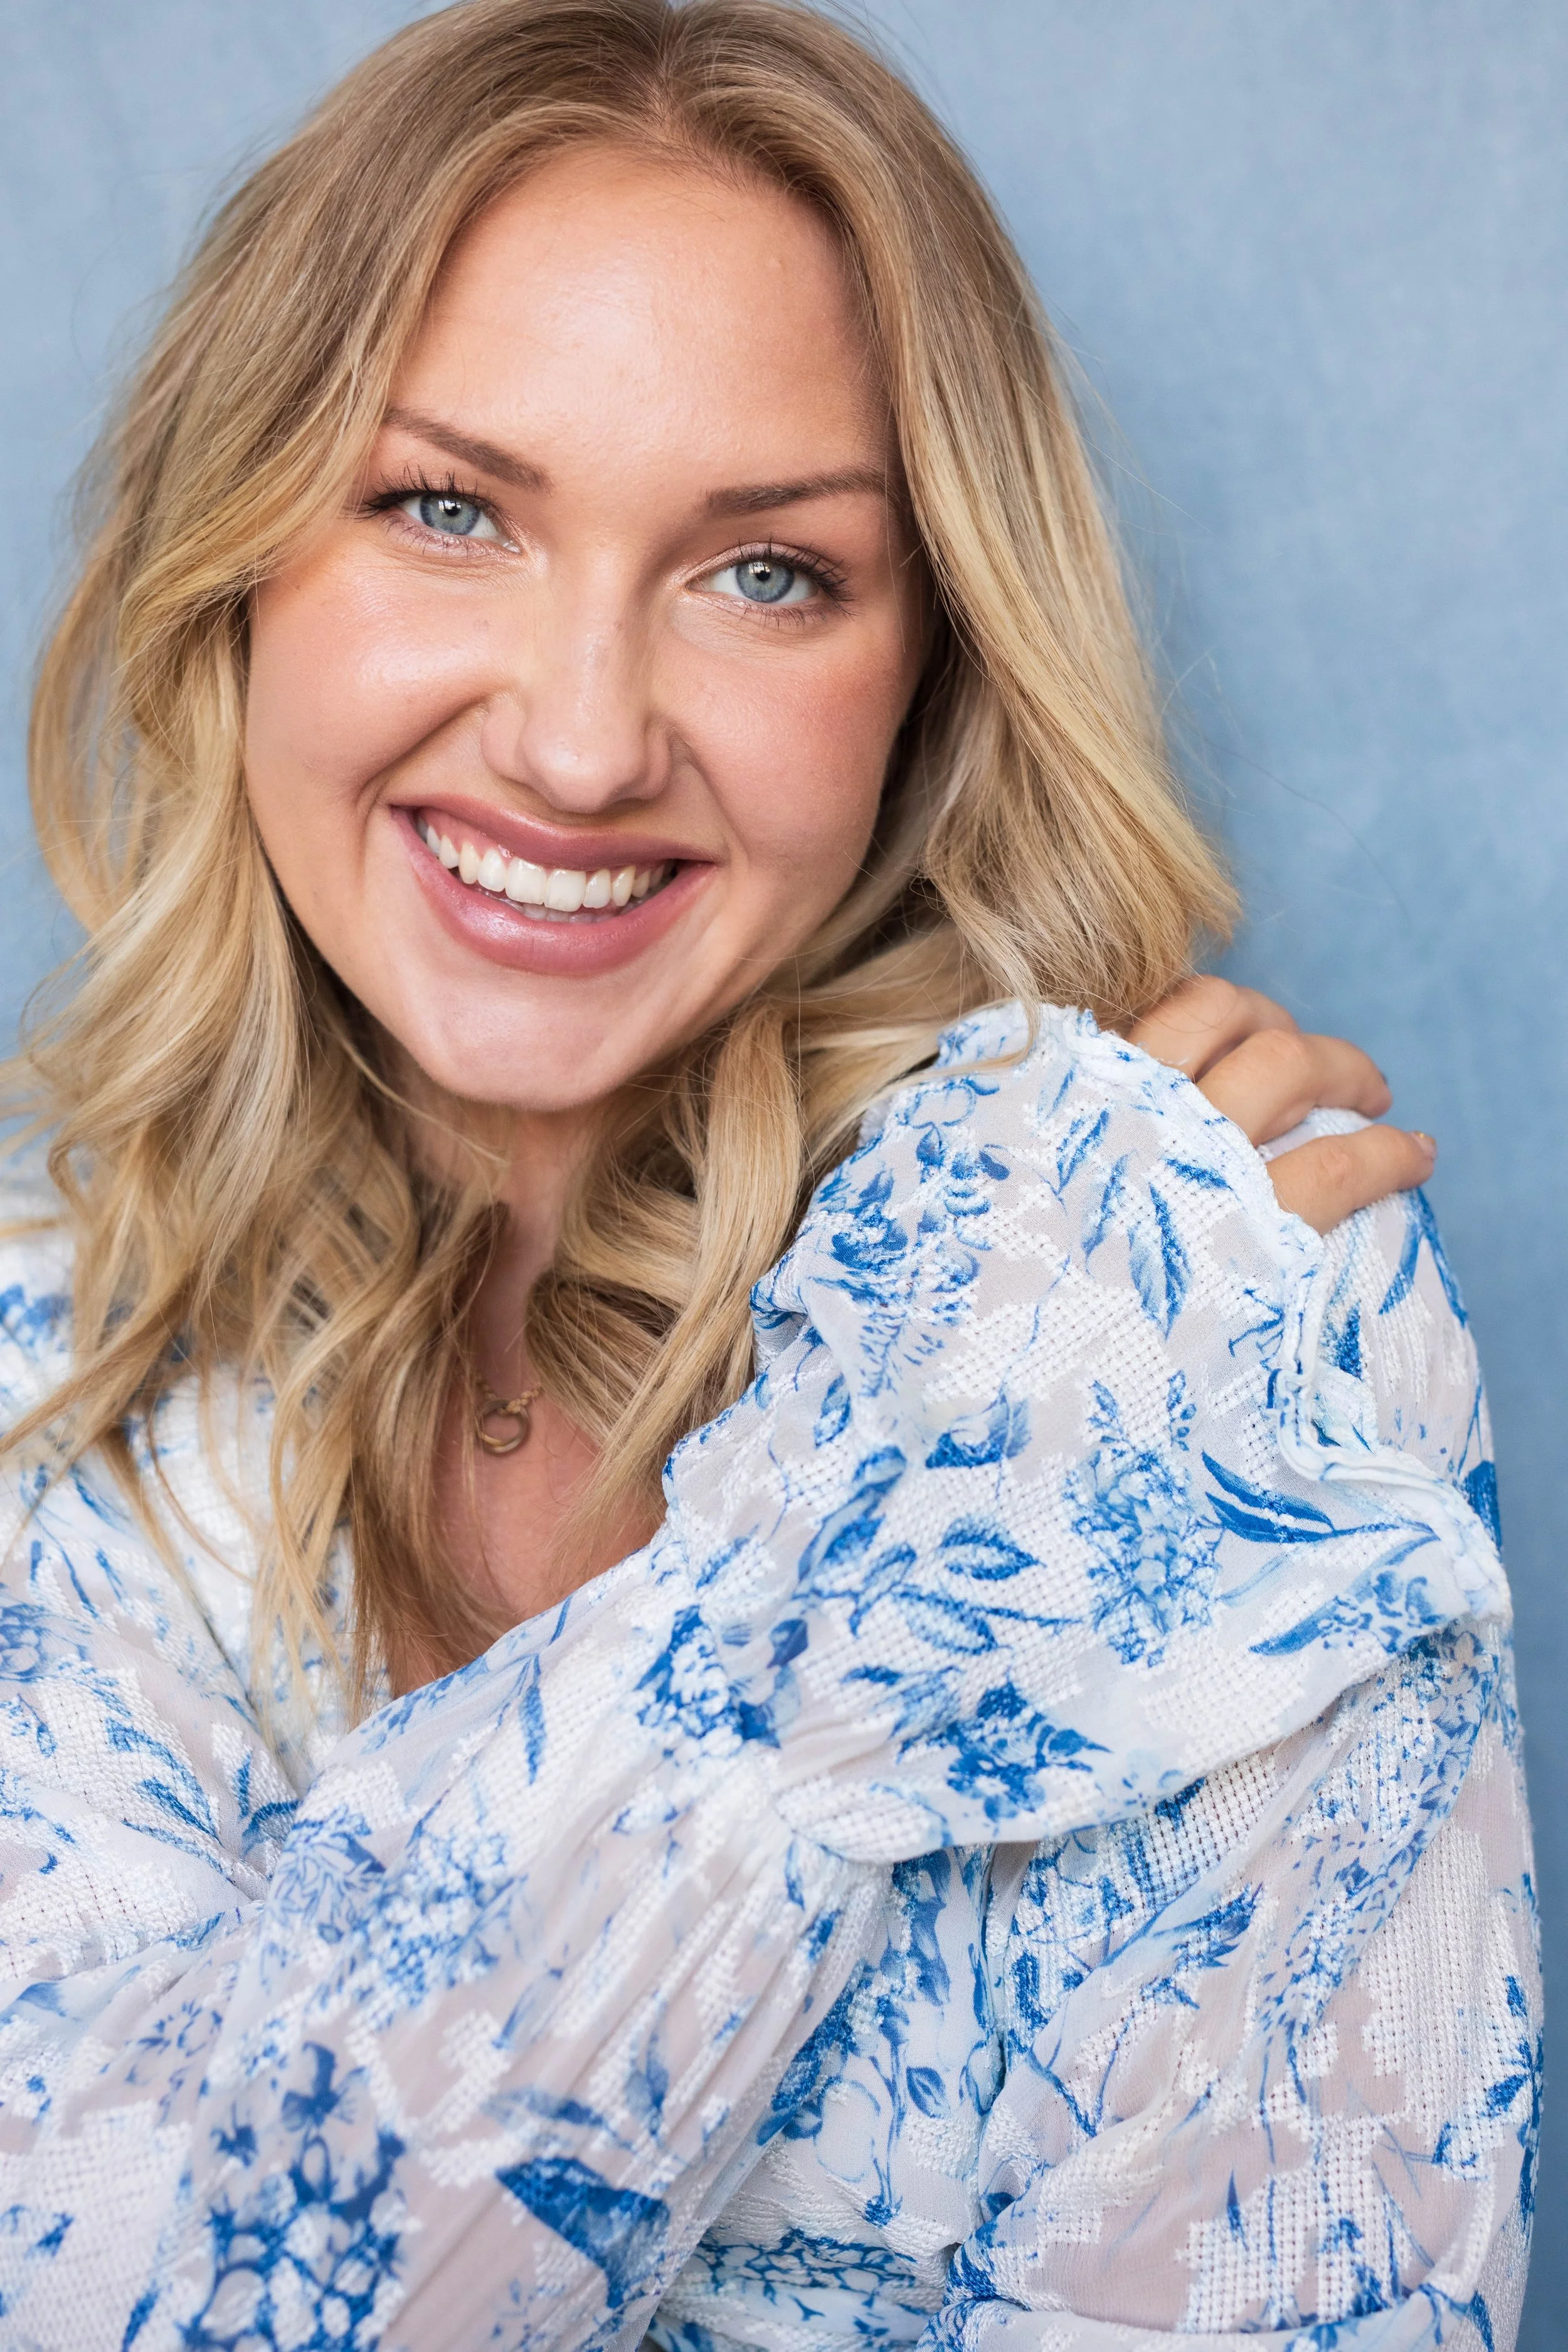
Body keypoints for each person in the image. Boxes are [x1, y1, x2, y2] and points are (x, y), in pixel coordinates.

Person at [0, 1, 1535, 2345]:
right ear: (239, 558)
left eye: (765, 574)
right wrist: (860, 1543)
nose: (584, 735)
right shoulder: (38, 1347)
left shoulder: (1225, 1264)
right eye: (447, 509)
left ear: (927, 664)